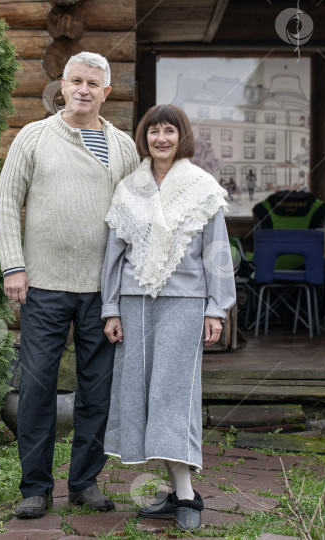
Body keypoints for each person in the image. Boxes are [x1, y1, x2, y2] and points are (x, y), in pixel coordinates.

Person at [0, 51, 140, 519]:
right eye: (75, 80)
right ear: (62, 84)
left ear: (106, 92)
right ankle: (35, 488)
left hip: (104, 293)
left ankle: (84, 482)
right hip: (44, 286)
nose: (83, 89)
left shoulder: (122, 146)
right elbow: (5, 203)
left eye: (92, 83)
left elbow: (135, 219)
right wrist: (13, 266)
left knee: (97, 390)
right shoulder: (34, 137)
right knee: (36, 388)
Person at [100, 104, 236, 531]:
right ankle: (182, 493)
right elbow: (114, 253)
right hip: (135, 302)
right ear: (145, 137)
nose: (161, 138)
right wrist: (110, 308)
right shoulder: (128, 189)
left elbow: (217, 252)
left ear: (182, 137)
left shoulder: (201, 187)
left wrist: (217, 309)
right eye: (154, 131)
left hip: (184, 302)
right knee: (141, 394)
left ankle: (187, 498)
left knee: (171, 395)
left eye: (169, 131)